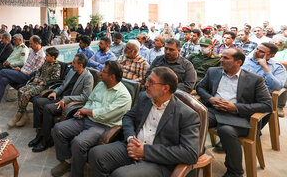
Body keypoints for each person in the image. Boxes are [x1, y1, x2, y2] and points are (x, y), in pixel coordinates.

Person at [88, 67, 201, 177]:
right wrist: (130, 138)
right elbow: (128, 117)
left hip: (158, 162)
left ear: (165, 88)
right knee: (95, 154)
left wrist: (145, 151)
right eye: (147, 80)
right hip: (131, 148)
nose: (146, 84)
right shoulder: (145, 98)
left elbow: (190, 153)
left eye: (151, 82)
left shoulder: (187, 115)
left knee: (120, 174)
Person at [197, 48, 272, 177]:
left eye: (226, 58)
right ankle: (195, 156)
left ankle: (235, 172)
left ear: (238, 62)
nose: (221, 60)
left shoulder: (255, 79)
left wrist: (235, 107)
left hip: (238, 116)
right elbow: (200, 87)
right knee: (194, 121)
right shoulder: (214, 72)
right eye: (222, 57)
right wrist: (210, 98)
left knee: (226, 131)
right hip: (214, 110)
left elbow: (266, 105)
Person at [51, 61, 132, 177]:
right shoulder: (101, 85)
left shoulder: (123, 96)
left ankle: (76, 174)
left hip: (104, 126)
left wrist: (86, 111)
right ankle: (67, 161)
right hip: (87, 118)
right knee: (59, 128)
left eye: (103, 72)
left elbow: (106, 114)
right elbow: (90, 101)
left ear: (112, 76)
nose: (100, 73)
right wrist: (82, 110)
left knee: (78, 142)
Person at [30, 54, 94, 152]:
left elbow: (85, 97)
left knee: (47, 108)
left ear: (80, 65)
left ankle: (46, 141)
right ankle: (40, 134)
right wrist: (55, 92)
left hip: (68, 103)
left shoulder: (88, 77)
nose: (71, 64)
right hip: (59, 97)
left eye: (74, 63)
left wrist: (66, 99)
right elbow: (63, 85)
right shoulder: (72, 71)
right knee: (37, 101)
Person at [0, 35, 45, 113]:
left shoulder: (41, 56)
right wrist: (20, 69)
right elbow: (27, 64)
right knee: (3, 79)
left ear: (37, 43)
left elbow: (34, 72)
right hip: (21, 71)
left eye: (31, 44)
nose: (30, 45)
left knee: (2, 72)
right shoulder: (32, 51)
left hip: (27, 77)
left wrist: (21, 70)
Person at [9, 47, 61, 128]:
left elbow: (55, 78)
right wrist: (36, 77)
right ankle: (23, 114)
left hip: (43, 86)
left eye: (47, 55)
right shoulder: (45, 62)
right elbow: (38, 71)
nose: (45, 57)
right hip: (36, 82)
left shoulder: (56, 66)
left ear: (53, 57)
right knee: (20, 90)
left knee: (26, 94)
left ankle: (20, 114)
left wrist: (44, 82)